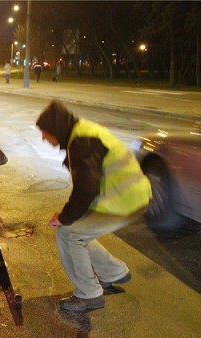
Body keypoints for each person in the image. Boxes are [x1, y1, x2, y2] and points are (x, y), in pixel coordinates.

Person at [35, 100, 152, 312]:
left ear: (55, 128)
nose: (43, 137)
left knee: (69, 234)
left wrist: (64, 217)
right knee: (76, 231)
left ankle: (89, 294)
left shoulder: (82, 141)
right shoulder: (80, 134)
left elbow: (86, 188)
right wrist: (66, 215)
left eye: (44, 132)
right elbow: (86, 188)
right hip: (124, 198)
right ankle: (114, 272)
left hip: (122, 202)